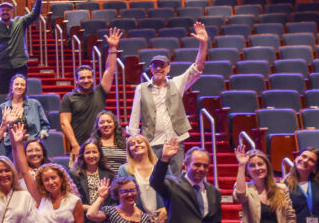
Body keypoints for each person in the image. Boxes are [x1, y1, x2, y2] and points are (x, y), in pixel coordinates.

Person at [127, 22, 209, 173]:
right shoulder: (141, 88)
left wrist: (203, 44)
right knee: (154, 178)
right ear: (150, 69)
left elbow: (198, 67)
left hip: (175, 141)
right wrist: (135, 139)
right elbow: (135, 116)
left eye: (162, 65)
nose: (158, 68)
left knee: (175, 178)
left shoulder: (177, 83)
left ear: (168, 68)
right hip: (152, 142)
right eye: (155, 66)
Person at [59, 29, 123, 152]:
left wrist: (112, 48)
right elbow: (64, 123)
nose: (86, 80)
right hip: (80, 147)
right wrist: (75, 145)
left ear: (93, 78)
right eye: (82, 78)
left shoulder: (100, 92)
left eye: (89, 77)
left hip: (102, 148)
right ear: (76, 80)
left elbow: (109, 70)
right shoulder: (68, 98)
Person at [0, 0, 49, 94]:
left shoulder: (20, 22)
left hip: (19, 66)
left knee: (20, 94)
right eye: (2, 10)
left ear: (12, 11)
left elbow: (35, 14)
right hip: (1, 68)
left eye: (7, 10)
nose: (5, 12)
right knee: (3, 96)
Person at [0, 73, 50, 148]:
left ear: (25, 88)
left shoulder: (35, 104)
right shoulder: (3, 107)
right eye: (16, 84)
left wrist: (42, 135)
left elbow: (45, 126)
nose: (19, 87)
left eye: (22, 85)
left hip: (33, 144)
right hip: (11, 145)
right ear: (11, 87)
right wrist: (3, 135)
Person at [71, 140, 109, 223]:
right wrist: (87, 208)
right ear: (82, 155)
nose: (91, 155)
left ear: (99, 154)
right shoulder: (74, 174)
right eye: (88, 152)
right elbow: (71, 198)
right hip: (82, 217)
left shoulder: (109, 174)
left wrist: (102, 212)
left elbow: (113, 200)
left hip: (102, 217)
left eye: (94, 152)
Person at [91, 111, 128, 177]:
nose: (106, 125)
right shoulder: (93, 143)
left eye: (109, 122)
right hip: (101, 179)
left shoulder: (126, 142)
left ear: (114, 124)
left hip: (123, 179)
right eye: (102, 122)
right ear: (97, 126)